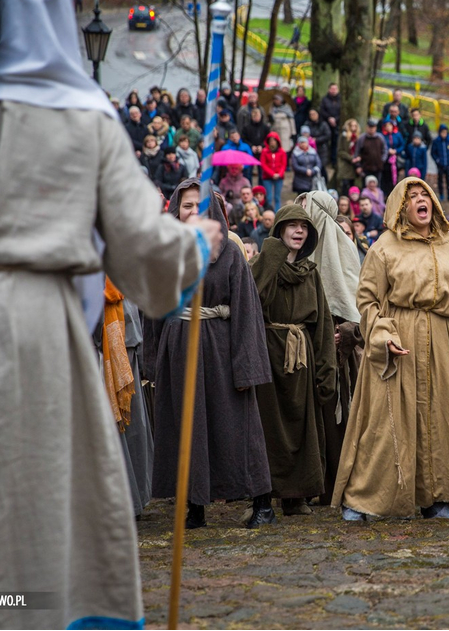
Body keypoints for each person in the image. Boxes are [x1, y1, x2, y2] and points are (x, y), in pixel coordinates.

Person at [0, 0, 224, 628]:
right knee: (40, 508)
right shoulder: (86, 120)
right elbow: (145, 255)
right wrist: (200, 241)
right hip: (38, 333)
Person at [333, 178, 449, 521]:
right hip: (398, 340)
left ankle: (436, 499)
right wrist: (382, 337)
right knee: (386, 422)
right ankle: (363, 499)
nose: (421, 200)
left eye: (425, 195)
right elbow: (367, 301)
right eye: (412, 197)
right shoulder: (384, 247)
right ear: (400, 207)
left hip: (442, 341)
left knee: (440, 420)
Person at [153, 179, 275, 529]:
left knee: (239, 427)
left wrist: (246, 367)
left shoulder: (232, 253)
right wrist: (153, 360)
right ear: (176, 210)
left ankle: (262, 502)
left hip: (220, 350)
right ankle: (194, 505)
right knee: (188, 426)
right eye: (187, 206)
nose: (193, 212)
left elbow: (247, 311)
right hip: (178, 348)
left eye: (200, 206)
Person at [251, 204, 337, 516]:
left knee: (303, 427)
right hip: (269, 357)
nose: (299, 230)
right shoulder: (262, 267)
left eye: (304, 226)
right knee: (270, 429)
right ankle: (265, 496)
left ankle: (296, 496)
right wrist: (270, 258)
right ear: (280, 231)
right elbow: (253, 301)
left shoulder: (310, 275)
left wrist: (327, 370)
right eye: (292, 225)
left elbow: (323, 326)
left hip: (301, 362)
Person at [295, 191, 363, 504]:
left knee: (337, 419)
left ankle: (338, 482)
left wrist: (348, 332)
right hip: (301, 347)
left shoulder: (345, 250)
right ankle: (310, 482)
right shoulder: (295, 253)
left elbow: (356, 300)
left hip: (340, 350)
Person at [92, 283, 154, 518]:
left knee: (122, 427)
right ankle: (131, 499)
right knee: (129, 426)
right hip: (120, 341)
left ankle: (127, 500)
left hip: (114, 343)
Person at [354, 118, 388, 187]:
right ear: (367, 127)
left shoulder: (380, 137)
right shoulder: (362, 138)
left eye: (373, 127)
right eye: (370, 127)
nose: (371, 129)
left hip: (378, 167)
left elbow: (385, 150)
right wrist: (358, 166)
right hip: (366, 168)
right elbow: (357, 153)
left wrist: (382, 160)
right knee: (365, 186)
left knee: (378, 186)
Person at [260, 131, 287, 209]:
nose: (272, 142)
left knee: (277, 197)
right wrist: (272, 174)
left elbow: (283, 164)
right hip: (267, 177)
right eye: (270, 140)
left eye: (274, 140)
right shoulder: (265, 151)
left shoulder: (282, 152)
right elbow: (263, 164)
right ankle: (269, 211)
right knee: (269, 197)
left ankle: (277, 213)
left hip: (279, 177)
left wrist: (279, 174)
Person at [380, 119, 405, 198]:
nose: (388, 127)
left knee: (394, 177)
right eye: (386, 126)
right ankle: (385, 194)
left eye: (389, 125)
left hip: (395, 160)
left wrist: (396, 151)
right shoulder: (382, 136)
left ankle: (393, 194)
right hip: (385, 159)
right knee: (385, 177)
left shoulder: (397, 134)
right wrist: (387, 150)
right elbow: (381, 145)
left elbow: (402, 145)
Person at [431, 124, 449, 201]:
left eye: (445, 132)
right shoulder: (436, 141)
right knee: (440, 180)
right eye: (442, 132)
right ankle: (441, 194)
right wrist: (437, 160)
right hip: (440, 165)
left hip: (448, 165)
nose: (444, 134)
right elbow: (433, 153)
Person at [269, 93, 296, 163]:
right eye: (274, 99)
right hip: (276, 130)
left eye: (277, 99)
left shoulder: (287, 108)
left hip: (285, 131)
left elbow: (291, 119)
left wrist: (293, 132)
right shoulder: (272, 108)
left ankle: (286, 163)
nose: (276, 101)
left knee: (285, 147)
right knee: (276, 146)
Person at [319, 82, 341, 165]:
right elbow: (322, 111)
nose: (333, 91)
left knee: (335, 143)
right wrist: (329, 118)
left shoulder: (341, 99)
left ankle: (334, 160)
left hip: (337, 124)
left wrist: (335, 119)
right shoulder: (325, 99)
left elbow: (342, 111)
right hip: (326, 123)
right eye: (332, 89)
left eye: (335, 89)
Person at [305, 108, 333, 174]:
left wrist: (317, 140)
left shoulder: (323, 124)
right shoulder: (307, 124)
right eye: (311, 114)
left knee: (322, 167)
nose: (312, 116)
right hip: (310, 148)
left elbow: (328, 135)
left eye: (314, 114)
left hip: (322, 148)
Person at [337, 118, 361, 193]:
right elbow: (340, 151)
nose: (353, 127)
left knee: (353, 185)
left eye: (355, 126)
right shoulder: (343, 137)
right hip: (346, 164)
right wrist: (351, 158)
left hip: (355, 165)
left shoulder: (358, 137)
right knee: (345, 184)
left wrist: (358, 158)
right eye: (352, 125)